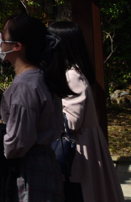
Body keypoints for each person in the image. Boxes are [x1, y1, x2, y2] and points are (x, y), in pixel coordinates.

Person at [0, 14, 72, 201]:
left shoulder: (25, 85)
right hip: (44, 163)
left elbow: (17, 143)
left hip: (28, 169)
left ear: (17, 46)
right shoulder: (41, 76)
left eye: (3, 35)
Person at [49, 21, 123, 202]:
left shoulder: (72, 75)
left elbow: (72, 121)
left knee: (82, 193)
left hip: (79, 148)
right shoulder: (72, 72)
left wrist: (43, 114)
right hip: (82, 144)